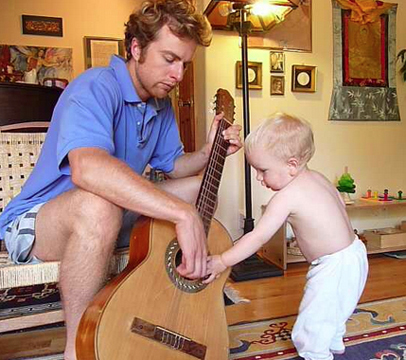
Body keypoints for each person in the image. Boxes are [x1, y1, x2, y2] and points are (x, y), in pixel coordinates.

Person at [0, 1, 242, 359]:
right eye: (169, 59)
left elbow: (174, 166)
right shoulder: (95, 87)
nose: (178, 74)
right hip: (38, 223)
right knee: (99, 204)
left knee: (196, 187)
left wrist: (208, 152)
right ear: (136, 48)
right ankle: (79, 351)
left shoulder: (161, 104)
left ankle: (166, 307)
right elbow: (88, 170)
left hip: (111, 213)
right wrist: (181, 214)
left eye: (185, 64)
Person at [204, 113, 368, 360]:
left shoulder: (286, 197)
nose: (259, 178)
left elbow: (257, 237)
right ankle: (333, 341)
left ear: (291, 165)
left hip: (334, 265)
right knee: (331, 310)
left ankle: (317, 354)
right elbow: (339, 211)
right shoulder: (319, 179)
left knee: (311, 324)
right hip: (354, 253)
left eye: (263, 170)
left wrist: (222, 260)